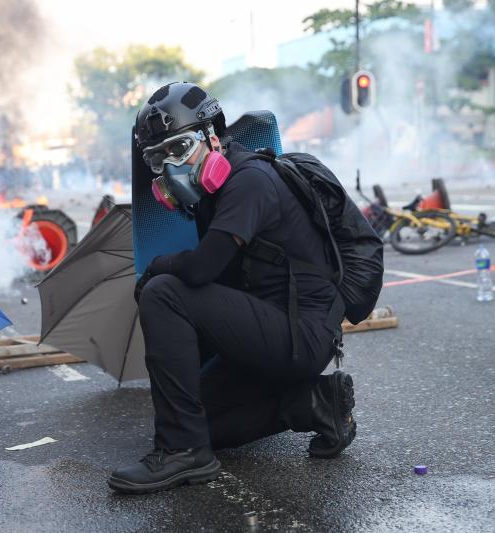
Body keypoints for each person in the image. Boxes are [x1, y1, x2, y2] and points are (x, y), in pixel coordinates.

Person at [108, 82, 356, 495]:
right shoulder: (212, 196)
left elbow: (204, 268)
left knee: (164, 291)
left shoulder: (250, 180)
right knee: (197, 417)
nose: (169, 167)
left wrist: (156, 268)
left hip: (300, 335)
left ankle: (182, 451)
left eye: (178, 149)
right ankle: (316, 403)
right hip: (267, 329)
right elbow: (222, 286)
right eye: (157, 157)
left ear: (212, 137)